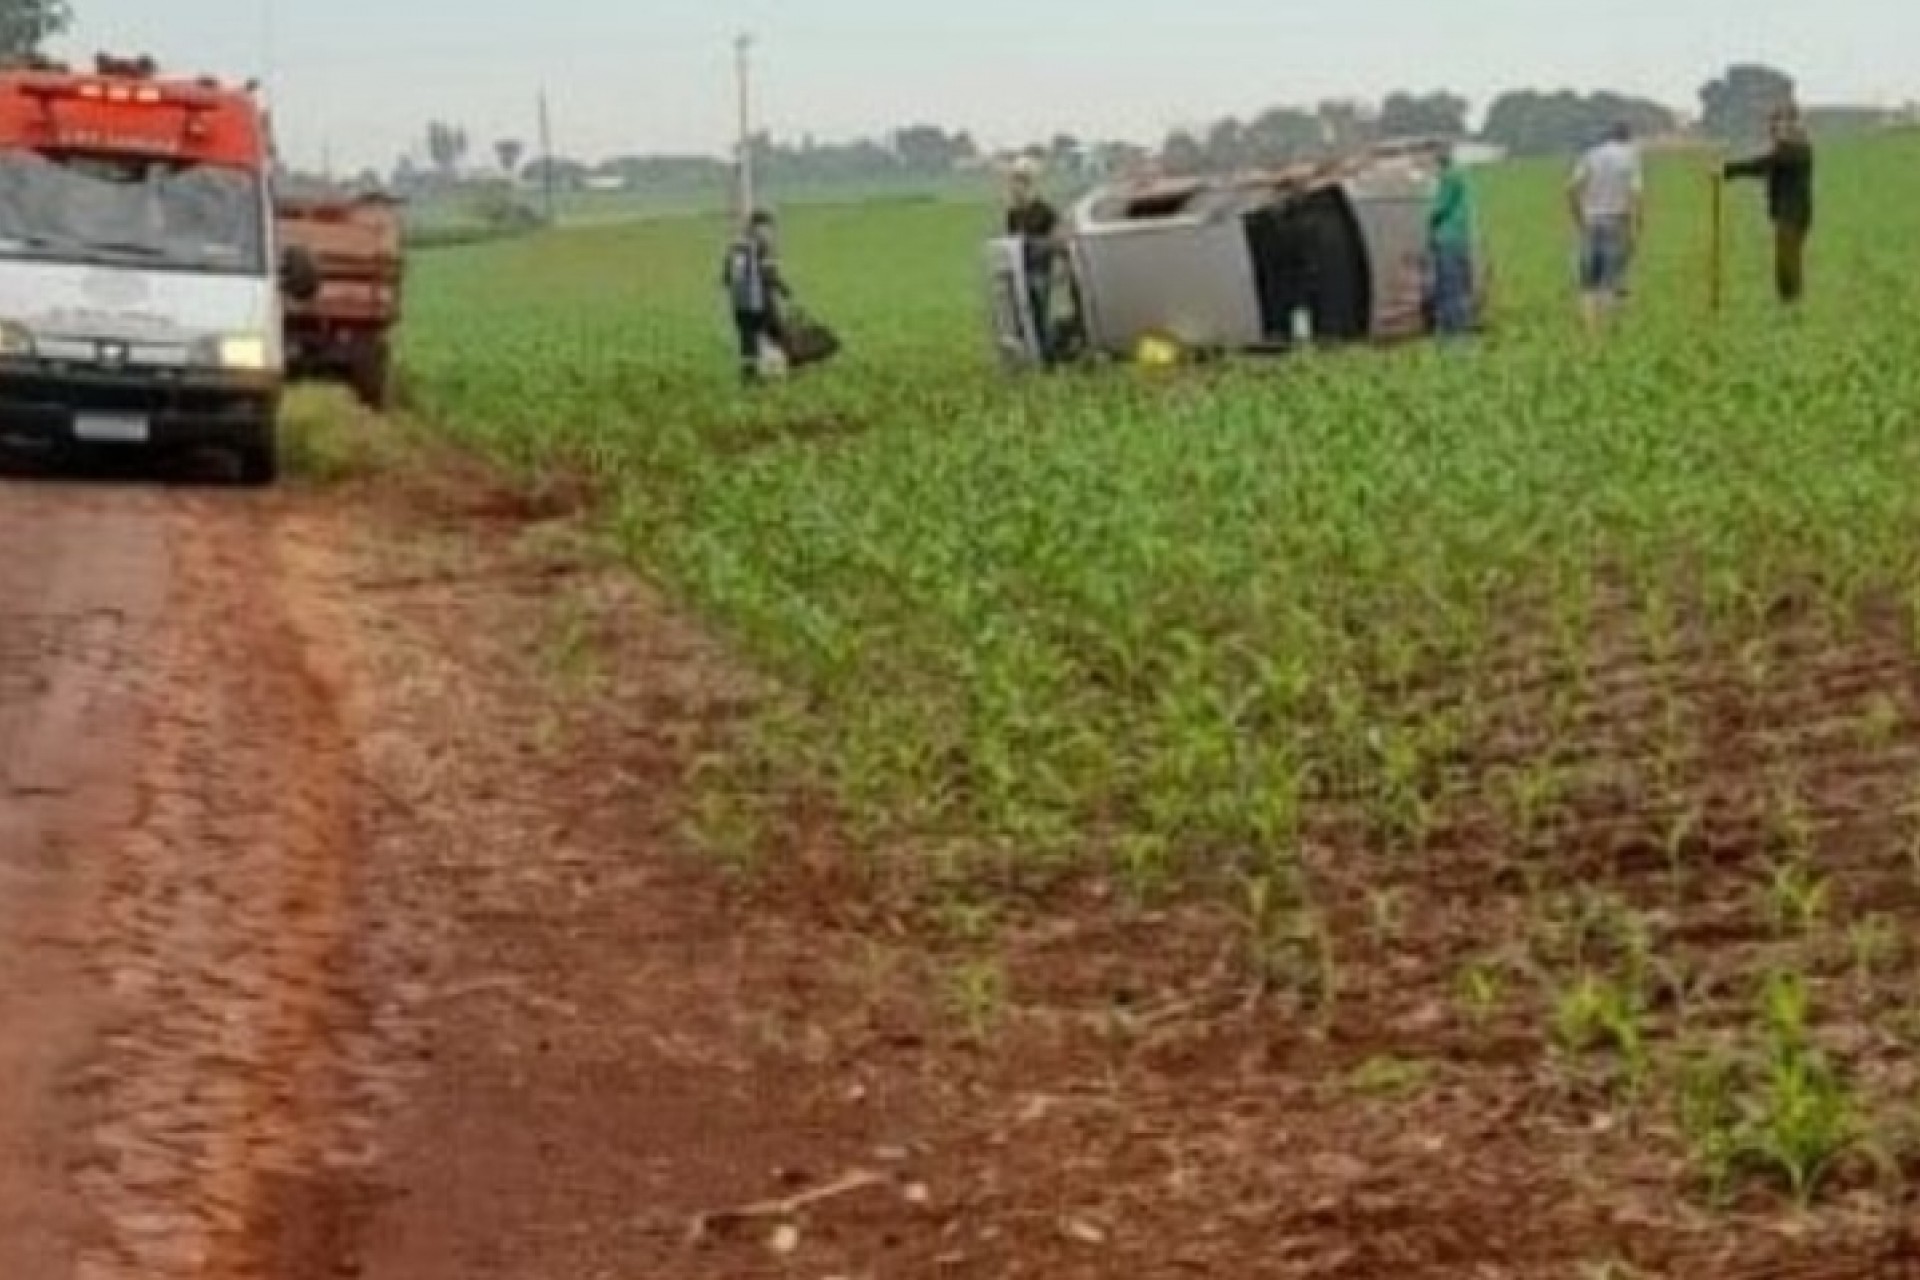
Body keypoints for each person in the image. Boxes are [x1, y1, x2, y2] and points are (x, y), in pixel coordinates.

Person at [1722, 104, 1815, 305]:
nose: (1773, 128)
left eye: (1777, 123)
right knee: (1785, 261)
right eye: (1772, 123)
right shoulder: (1785, 147)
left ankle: (1792, 303)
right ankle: (1788, 303)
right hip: (1785, 213)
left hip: (1794, 213)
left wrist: (1727, 170)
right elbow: (1765, 167)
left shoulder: (1797, 147)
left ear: (1790, 122)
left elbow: (1763, 165)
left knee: (1788, 261)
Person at [1567, 122, 1645, 331]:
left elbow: (1571, 188)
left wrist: (1578, 218)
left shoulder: (1590, 155)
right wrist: (1638, 225)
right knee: (1612, 281)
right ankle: (1611, 331)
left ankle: (1592, 332)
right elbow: (1636, 194)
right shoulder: (1631, 157)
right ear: (1627, 137)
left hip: (1590, 221)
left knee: (1588, 283)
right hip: (1618, 221)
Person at [720, 209, 790, 384]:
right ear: (758, 228)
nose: (769, 233)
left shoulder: (737, 248)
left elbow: (727, 278)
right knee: (778, 334)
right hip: (760, 303)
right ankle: (777, 370)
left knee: (748, 342)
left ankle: (750, 377)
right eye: (766, 229)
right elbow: (769, 274)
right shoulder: (759, 248)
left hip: (741, 305)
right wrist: (784, 290)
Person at [1004, 158, 1061, 363]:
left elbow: (1055, 242)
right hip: (1019, 271)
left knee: (1039, 315)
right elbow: (1011, 242)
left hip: (1039, 271)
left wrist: (1034, 245)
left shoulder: (1045, 211)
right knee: (1019, 315)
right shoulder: (1013, 214)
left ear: (1029, 184)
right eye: (1013, 183)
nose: (1014, 188)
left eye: (1019, 183)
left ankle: (1046, 357)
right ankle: (1027, 355)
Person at [1426, 143, 1477, 337]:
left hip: (1447, 239)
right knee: (1460, 288)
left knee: (1449, 288)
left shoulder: (1448, 177)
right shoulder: (1461, 175)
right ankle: (1460, 329)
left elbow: (1438, 209)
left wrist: (1427, 222)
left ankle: (1453, 336)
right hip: (1461, 238)